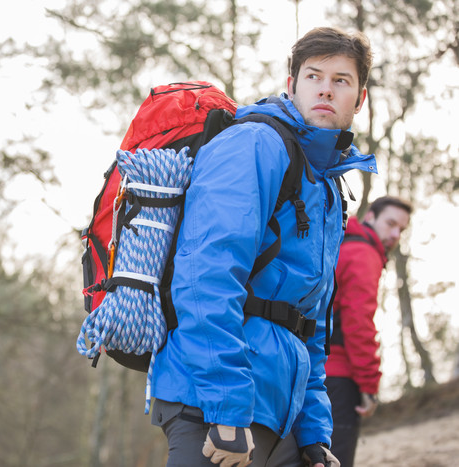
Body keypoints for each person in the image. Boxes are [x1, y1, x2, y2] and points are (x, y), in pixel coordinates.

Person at [149, 27, 377, 467]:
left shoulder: (326, 184)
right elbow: (206, 274)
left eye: (341, 80)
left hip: (277, 409)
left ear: (359, 98)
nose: (325, 89)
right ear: (291, 85)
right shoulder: (254, 144)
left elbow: (307, 321)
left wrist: (313, 432)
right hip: (212, 400)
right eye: (314, 76)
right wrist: (227, 407)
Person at [325, 196, 412, 466]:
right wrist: (368, 384)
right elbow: (358, 323)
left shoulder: (344, 245)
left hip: (318, 371)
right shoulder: (363, 253)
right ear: (370, 217)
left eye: (402, 229)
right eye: (391, 223)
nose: (395, 234)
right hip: (338, 376)